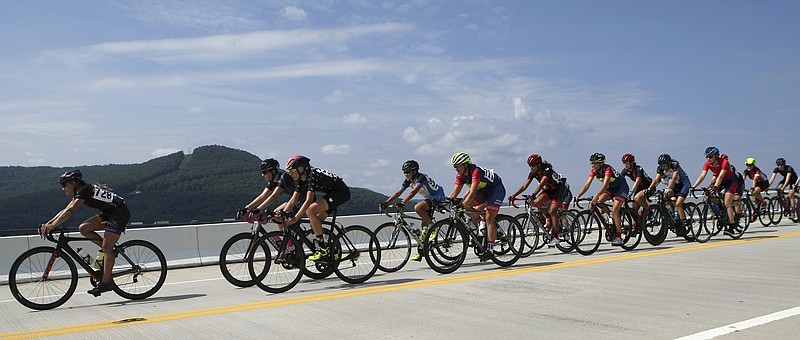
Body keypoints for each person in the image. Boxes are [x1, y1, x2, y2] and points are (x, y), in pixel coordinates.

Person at [38, 170, 131, 296]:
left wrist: (52, 226)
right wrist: (48, 224)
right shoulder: (80, 192)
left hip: (119, 213)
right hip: (110, 213)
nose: (63, 189)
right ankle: (109, 251)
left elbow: (71, 211)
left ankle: (106, 282)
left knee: (106, 247)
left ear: (73, 182)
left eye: (64, 185)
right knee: (84, 228)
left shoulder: (85, 190)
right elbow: (65, 210)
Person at [281, 156, 350, 261]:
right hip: (331, 194)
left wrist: (295, 218)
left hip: (341, 193)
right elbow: (293, 199)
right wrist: (283, 213)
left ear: (301, 169)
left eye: (292, 170)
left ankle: (323, 248)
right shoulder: (300, 179)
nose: (290, 173)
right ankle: (332, 249)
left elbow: (308, 200)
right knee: (314, 222)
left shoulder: (313, 175)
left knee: (310, 210)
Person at [380, 160, 446, 261]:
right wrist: (386, 202)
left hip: (438, 196)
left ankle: (434, 227)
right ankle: (422, 251)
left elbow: (413, 191)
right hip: (429, 199)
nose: (406, 174)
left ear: (414, 171)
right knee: (423, 231)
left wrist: (403, 202)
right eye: (404, 172)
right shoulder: (408, 180)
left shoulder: (421, 177)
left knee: (418, 207)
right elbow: (398, 192)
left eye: (407, 172)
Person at [447, 152, 506, 262]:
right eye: (454, 166)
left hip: (496, 190)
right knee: (467, 206)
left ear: (465, 165)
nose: (455, 168)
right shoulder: (460, 176)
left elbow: (473, 192)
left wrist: (462, 205)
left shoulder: (476, 171)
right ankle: (481, 224)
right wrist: (445, 202)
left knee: (489, 218)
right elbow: (453, 193)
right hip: (483, 191)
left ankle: (490, 250)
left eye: (457, 165)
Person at [508, 154, 572, 247]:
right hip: (550, 190)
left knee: (553, 210)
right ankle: (548, 218)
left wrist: (533, 195)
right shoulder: (533, 172)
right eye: (529, 166)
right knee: (536, 203)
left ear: (538, 164)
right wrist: (514, 195)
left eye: (533, 165)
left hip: (560, 189)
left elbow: (541, 184)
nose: (531, 168)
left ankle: (556, 237)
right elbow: (524, 186)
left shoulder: (547, 170)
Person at [575, 153, 629, 246]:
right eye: (591, 163)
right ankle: (611, 216)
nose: (592, 165)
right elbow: (587, 185)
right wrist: (578, 196)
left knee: (615, 210)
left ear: (600, 163)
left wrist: (596, 195)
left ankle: (619, 237)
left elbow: (604, 185)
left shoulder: (608, 169)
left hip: (621, 187)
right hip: (611, 188)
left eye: (594, 163)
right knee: (599, 201)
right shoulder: (594, 171)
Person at [690, 147, 740, 235]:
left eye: (710, 156)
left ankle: (732, 226)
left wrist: (715, 187)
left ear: (716, 156)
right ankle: (722, 212)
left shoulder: (725, 163)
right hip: (720, 180)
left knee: (727, 203)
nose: (708, 159)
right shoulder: (707, 164)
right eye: (707, 157)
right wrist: (694, 186)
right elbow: (702, 176)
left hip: (730, 181)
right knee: (711, 195)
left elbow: (720, 177)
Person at [238, 158, 298, 224]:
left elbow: (273, 197)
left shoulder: (284, 178)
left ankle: (286, 233)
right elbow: (262, 196)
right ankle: (283, 233)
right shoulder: (272, 181)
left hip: (302, 200)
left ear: (273, 171)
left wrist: (258, 209)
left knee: (279, 216)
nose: (262, 175)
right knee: (276, 213)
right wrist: (247, 208)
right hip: (295, 201)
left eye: (265, 172)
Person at [645, 154, 692, 235]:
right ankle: (675, 215)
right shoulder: (660, 169)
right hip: (674, 186)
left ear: (668, 163)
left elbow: (674, 178)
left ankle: (683, 223)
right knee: (666, 197)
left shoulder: (674, 165)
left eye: (664, 165)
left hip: (683, 184)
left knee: (678, 203)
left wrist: (668, 188)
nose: (662, 167)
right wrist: (649, 189)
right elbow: (656, 179)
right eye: (661, 165)